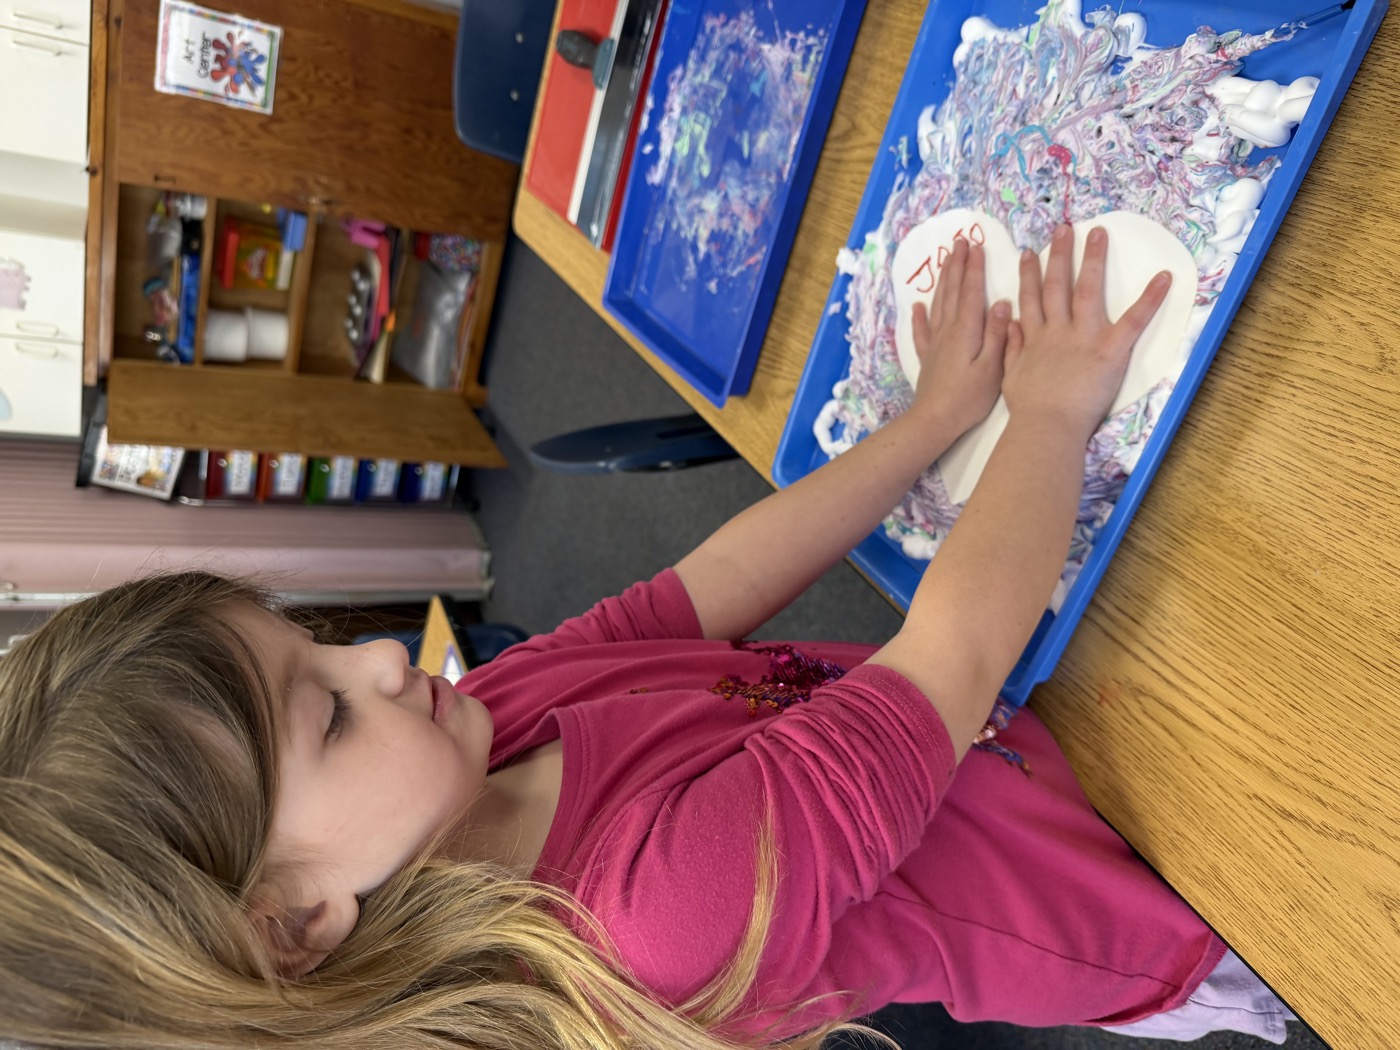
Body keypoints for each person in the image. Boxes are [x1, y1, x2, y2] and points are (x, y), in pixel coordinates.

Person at [0, 226, 1295, 1050]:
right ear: (292, 924)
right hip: (1156, 898)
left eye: (315, 642)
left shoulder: (482, 726)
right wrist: (1051, 414)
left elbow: (709, 582)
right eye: (328, 712)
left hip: (1031, 718)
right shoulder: (649, 922)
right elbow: (945, 656)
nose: (383, 658)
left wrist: (932, 422)